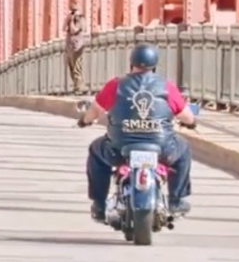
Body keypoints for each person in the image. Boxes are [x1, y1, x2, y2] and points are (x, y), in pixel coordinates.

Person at [76, 42, 196, 222]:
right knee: (184, 148)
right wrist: (192, 123)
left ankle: (99, 204)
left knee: (96, 150)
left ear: (131, 63)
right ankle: (175, 200)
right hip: (162, 148)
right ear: (154, 65)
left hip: (119, 148)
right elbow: (187, 117)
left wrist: (84, 121)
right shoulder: (166, 87)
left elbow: (94, 111)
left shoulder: (115, 85)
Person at [63, 6, 87, 93]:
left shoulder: (80, 18)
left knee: (77, 67)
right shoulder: (70, 18)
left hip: (77, 46)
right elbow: (63, 28)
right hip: (70, 47)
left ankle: (80, 87)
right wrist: (67, 19)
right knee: (72, 68)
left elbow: (74, 30)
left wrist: (72, 20)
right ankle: (77, 86)